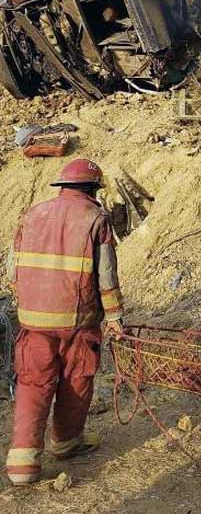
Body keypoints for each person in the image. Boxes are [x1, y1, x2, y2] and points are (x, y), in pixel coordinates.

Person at [5, 159, 123, 486]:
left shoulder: (31, 215)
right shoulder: (95, 219)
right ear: (92, 190)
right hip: (77, 321)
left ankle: (22, 465)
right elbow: (106, 277)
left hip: (33, 321)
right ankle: (67, 442)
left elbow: (13, 269)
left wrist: (30, 302)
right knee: (76, 379)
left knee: (32, 384)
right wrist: (114, 316)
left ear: (63, 187)